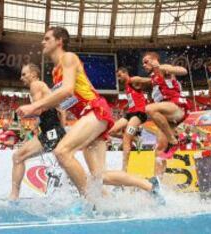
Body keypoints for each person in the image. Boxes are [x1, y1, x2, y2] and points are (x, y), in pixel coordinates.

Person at [17, 26, 159, 200]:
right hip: (90, 115)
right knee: (99, 177)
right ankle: (151, 186)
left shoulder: (68, 58)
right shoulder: (55, 73)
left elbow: (68, 90)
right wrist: (43, 106)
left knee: (62, 152)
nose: (42, 42)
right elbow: (68, 97)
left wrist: (33, 106)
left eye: (47, 39)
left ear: (59, 41)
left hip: (95, 110)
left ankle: (89, 201)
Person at [9, 63, 66, 200]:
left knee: (18, 157)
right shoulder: (41, 86)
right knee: (66, 163)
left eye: (24, 74)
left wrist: (23, 113)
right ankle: (87, 190)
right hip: (53, 130)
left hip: (51, 132)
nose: (21, 77)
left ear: (33, 74)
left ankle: (13, 197)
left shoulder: (36, 85)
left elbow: (39, 109)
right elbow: (58, 110)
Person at [142, 52, 190, 160]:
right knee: (160, 148)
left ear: (154, 59)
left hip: (177, 106)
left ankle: (173, 140)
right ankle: (160, 176)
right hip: (167, 116)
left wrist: (161, 67)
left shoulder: (163, 68)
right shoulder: (153, 77)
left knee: (149, 108)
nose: (144, 65)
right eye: (143, 63)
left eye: (146, 62)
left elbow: (184, 71)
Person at [109, 67, 149, 171]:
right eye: (117, 76)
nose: (118, 78)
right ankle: (136, 139)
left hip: (139, 114)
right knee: (111, 131)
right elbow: (134, 98)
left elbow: (144, 80)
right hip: (130, 113)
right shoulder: (126, 86)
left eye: (119, 75)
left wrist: (153, 79)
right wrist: (127, 106)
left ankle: (124, 169)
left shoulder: (132, 81)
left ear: (125, 73)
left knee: (127, 138)